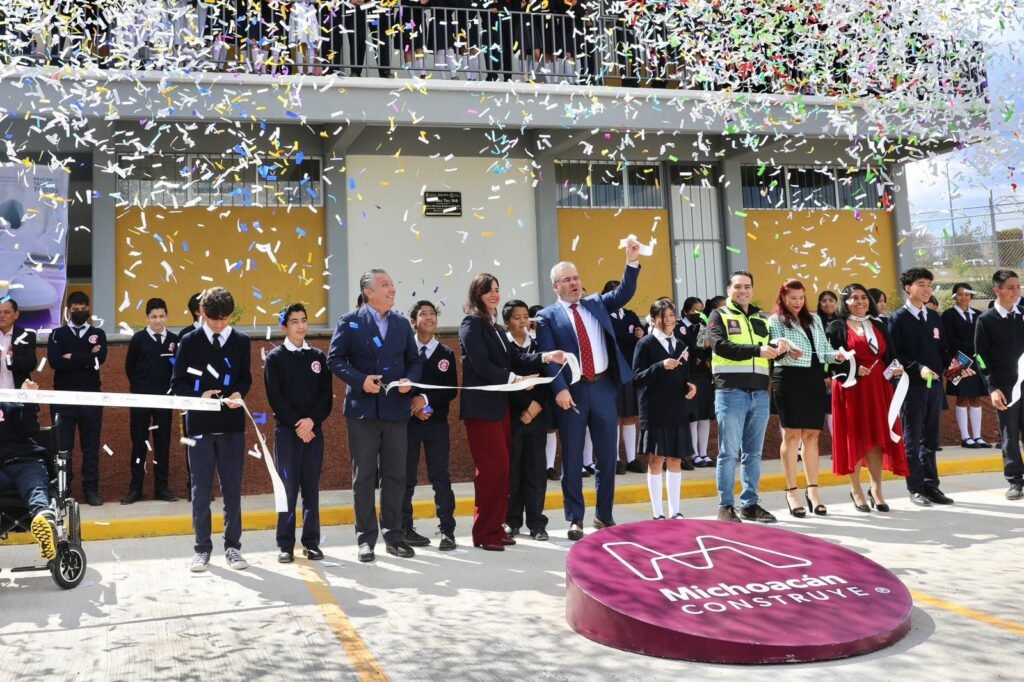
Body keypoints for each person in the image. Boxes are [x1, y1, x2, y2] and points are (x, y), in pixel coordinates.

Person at [536, 237, 642, 541]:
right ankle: (575, 518)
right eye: (567, 280)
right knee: (572, 457)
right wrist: (559, 388)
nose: (574, 283)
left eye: (576, 277)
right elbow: (548, 356)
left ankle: (604, 514)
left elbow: (624, 292)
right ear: (555, 286)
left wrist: (631, 261)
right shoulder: (547, 317)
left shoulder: (596, 303)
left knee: (607, 456)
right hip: (573, 392)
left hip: (604, 387)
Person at [459, 276, 565, 550]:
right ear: (477, 293)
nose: (494, 294)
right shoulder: (471, 323)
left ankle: (495, 527)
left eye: (496, 289)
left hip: (499, 409)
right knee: (491, 471)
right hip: (482, 410)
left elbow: (514, 358)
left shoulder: (493, 326)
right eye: (488, 290)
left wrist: (545, 357)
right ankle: (485, 533)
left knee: (501, 472)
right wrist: (515, 380)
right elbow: (481, 365)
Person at [327, 269, 421, 562]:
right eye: (385, 285)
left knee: (395, 475)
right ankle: (365, 539)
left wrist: (409, 380)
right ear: (368, 292)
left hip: (396, 410)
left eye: (392, 284)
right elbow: (335, 359)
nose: (392, 289)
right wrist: (360, 380)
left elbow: (414, 361)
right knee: (364, 476)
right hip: (363, 412)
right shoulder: (350, 321)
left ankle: (394, 536)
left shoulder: (402, 324)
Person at [171, 287, 253, 572]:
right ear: (202, 312)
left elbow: (245, 378)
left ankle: (233, 547)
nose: (219, 324)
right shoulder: (188, 341)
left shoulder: (241, 341)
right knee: (200, 490)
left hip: (231, 426)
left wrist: (239, 394)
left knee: (232, 490)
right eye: (215, 318)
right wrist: (199, 397)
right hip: (200, 427)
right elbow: (177, 383)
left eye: (225, 319)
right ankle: (202, 548)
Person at [708, 271, 783, 523]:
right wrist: (757, 350)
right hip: (730, 392)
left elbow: (768, 349)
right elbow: (720, 346)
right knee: (728, 453)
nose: (743, 291)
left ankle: (750, 504)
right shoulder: (719, 315)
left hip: (760, 393)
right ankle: (726, 506)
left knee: (753, 453)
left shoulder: (761, 318)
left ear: (752, 289)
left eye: (747, 286)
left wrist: (783, 350)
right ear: (729, 289)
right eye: (738, 286)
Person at [827, 283, 907, 512]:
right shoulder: (836, 326)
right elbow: (830, 360)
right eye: (854, 298)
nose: (860, 301)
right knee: (854, 437)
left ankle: (876, 490)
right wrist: (851, 370)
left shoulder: (879, 324)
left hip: (879, 388)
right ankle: (856, 490)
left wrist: (896, 367)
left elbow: (890, 355)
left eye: (863, 297)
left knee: (876, 438)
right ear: (845, 301)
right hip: (852, 388)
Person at [264, 303, 333, 563]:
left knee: (311, 489)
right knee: (288, 490)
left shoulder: (317, 357)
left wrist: (311, 422)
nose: (301, 326)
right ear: (284, 327)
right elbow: (276, 398)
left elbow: (325, 396)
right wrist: (298, 424)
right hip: (287, 433)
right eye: (294, 321)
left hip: (313, 433)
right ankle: (285, 544)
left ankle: (311, 542)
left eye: (304, 320)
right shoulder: (275, 359)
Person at [768, 279, 843, 517]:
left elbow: (823, 351)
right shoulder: (775, 320)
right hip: (788, 377)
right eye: (793, 298)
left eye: (801, 298)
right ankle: (792, 491)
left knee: (812, 435)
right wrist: (787, 350)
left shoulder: (815, 319)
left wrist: (837, 356)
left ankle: (813, 491)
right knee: (791, 435)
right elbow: (774, 349)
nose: (798, 302)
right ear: (783, 297)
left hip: (814, 379)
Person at [889, 267, 962, 507]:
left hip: (934, 387)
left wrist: (956, 369)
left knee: (931, 439)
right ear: (908, 288)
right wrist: (917, 368)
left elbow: (943, 350)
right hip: (911, 388)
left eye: (929, 285)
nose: (927, 289)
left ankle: (931, 486)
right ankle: (916, 488)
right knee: (912, 439)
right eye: (921, 284)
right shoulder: (898, 319)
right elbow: (894, 354)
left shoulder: (933, 317)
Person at [401, 299, 458, 551]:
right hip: (409, 424)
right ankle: (405, 528)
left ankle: (447, 530)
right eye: (423, 314)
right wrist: (413, 407)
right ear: (413, 321)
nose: (429, 317)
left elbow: (450, 389)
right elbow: (399, 384)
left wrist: (425, 401)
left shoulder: (446, 353)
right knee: (406, 477)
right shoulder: (405, 352)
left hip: (437, 424)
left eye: (432, 313)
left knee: (440, 476)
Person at [633, 298, 697, 520]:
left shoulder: (681, 345)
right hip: (655, 408)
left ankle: (675, 510)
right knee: (656, 459)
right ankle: (657, 513)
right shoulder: (646, 344)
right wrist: (660, 366)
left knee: (675, 458)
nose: (668, 320)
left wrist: (690, 386)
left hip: (677, 408)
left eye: (671, 315)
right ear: (653, 319)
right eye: (663, 316)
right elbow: (637, 378)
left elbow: (685, 376)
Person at [47, 291, 107, 507]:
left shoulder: (98, 333)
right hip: (63, 400)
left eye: (83, 309)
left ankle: (91, 490)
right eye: (75, 309)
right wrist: (87, 358)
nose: (80, 312)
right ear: (68, 310)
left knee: (91, 447)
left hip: (91, 399)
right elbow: (55, 362)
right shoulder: (57, 334)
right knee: (63, 449)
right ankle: (64, 491)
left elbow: (99, 360)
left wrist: (72, 356)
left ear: (88, 309)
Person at [503, 299, 553, 541]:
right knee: (513, 472)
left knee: (535, 471)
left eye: (526, 316)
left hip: (537, 416)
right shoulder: (504, 347)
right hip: (513, 416)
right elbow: (505, 381)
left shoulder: (539, 346)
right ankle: (512, 521)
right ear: (506, 322)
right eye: (517, 317)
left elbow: (548, 380)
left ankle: (536, 522)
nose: (523, 321)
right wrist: (525, 405)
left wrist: (535, 407)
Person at [122, 297, 179, 504]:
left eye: (161, 316)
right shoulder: (138, 339)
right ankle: (136, 488)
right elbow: (130, 367)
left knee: (162, 443)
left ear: (167, 317)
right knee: (139, 443)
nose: (158, 320)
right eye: (154, 316)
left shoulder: (174, 340)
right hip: (141, 400)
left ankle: (161, 488)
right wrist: (140, 388)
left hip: (165, 401)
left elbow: (177, 368)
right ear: (147, 317)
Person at [974, 270, 1024, 500]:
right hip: (1005, 388)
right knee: (1009, 434)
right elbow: (981, 357)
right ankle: (1015, 480)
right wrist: (992, 388)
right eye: (1011, 287)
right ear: (997, 290)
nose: (1016, 291)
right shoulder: (986, 320)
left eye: (1018, 286)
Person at [0, 381, 58, 561]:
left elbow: (30, 429)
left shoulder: (8, 401)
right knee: (33, 487)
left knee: (34, 487)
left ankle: (43, 519)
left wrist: (28, 399)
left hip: (26, 460)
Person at [942, 282, 992, 448]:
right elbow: (949, 339)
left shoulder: (978, 314)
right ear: (954, 296)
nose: (963, 297)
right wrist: (970, 346)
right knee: (962, 398)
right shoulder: (948, 315)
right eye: (960, 294)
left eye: (967, 294)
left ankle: (977, 436)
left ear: (971, 296)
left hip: (976, 360)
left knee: (976, 398)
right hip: (958, 360)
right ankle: (965, 437)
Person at [604, 280, 644, 475]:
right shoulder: (603, 316)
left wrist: (636, 335)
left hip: (629, 370)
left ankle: (631, 458)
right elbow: (612, 338)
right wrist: (631, 336)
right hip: (610, 371)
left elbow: (640, 334)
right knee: (614, 416)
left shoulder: (630, 315)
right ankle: (616, 459)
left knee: (628, 415)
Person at [679, 296, 713, 468]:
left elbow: (707, 347)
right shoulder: (680, 327)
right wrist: (698, 352)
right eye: (694, 311)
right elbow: (684, 348)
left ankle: (703, 452)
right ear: (686, 311)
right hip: (689, 375)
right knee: (693, 415)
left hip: (703, 375)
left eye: (701, 311)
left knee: (704, 415)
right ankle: (693, 453)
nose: (698, 314)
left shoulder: (702, 327)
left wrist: (706, 357)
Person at [0, 296, 38, 392]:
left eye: (6, 312)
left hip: (18, 393)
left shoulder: (27, 336)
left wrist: (12, 359)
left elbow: (31, 364)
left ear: (16, 315)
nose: (2, 316)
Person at [816, 290, 839, 437]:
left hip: (841, 370)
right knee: (827, 407)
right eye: (824, 301)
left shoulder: (842, 321)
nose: (827, 303)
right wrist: (825, 374)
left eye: (831, 300)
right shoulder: (815, 322)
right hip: (823, 371)